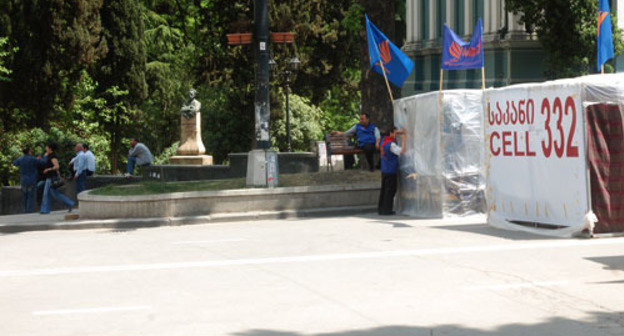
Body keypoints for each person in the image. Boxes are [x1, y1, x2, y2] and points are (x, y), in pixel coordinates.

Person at [39, 142, 75, 214]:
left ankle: (45, 210)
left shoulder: (53, 157)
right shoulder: (49, 156)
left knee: (47, 194)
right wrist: (45, 156)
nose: (46, 149)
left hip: (52, 177)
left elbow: (57, 166)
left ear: (50, 148)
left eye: (47, 147)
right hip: (50, 177)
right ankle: (70, 203)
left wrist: (48, 169)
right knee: (54, 194)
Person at [378, 126, 407, 216]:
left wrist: (399, 132)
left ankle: (381, 209)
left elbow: (391, 133)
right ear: (391, 133)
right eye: (395, 133)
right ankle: (387, 210)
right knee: (391, 190)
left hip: (384, 169)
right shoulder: (391, 144)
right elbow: (402, 151)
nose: (396, 135)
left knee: (384, 190)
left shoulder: (383, 141)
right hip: (391, 170)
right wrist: (404, 140)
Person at [12, 148, 44, 213]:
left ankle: (25, 209)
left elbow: (14, 163)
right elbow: (42, 163)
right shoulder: (33, 159)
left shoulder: (20, 158)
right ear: (29, 151)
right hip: (32, 180)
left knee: (24, 196)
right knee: (30, 196)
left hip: (23, 180)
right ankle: (29, 211)